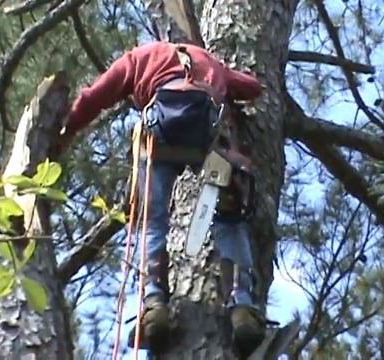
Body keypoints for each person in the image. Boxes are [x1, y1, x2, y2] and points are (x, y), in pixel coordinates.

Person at [57, 41, 266, 355]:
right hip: (204, 137)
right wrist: (229, 81)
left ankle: (154, 304)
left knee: (153, 222)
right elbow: (252, 88)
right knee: (230, 219)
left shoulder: (138, 57)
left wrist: (68, 129)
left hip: (159, 137)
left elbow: (94, 97)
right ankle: (243, 307)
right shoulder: (209, 61)